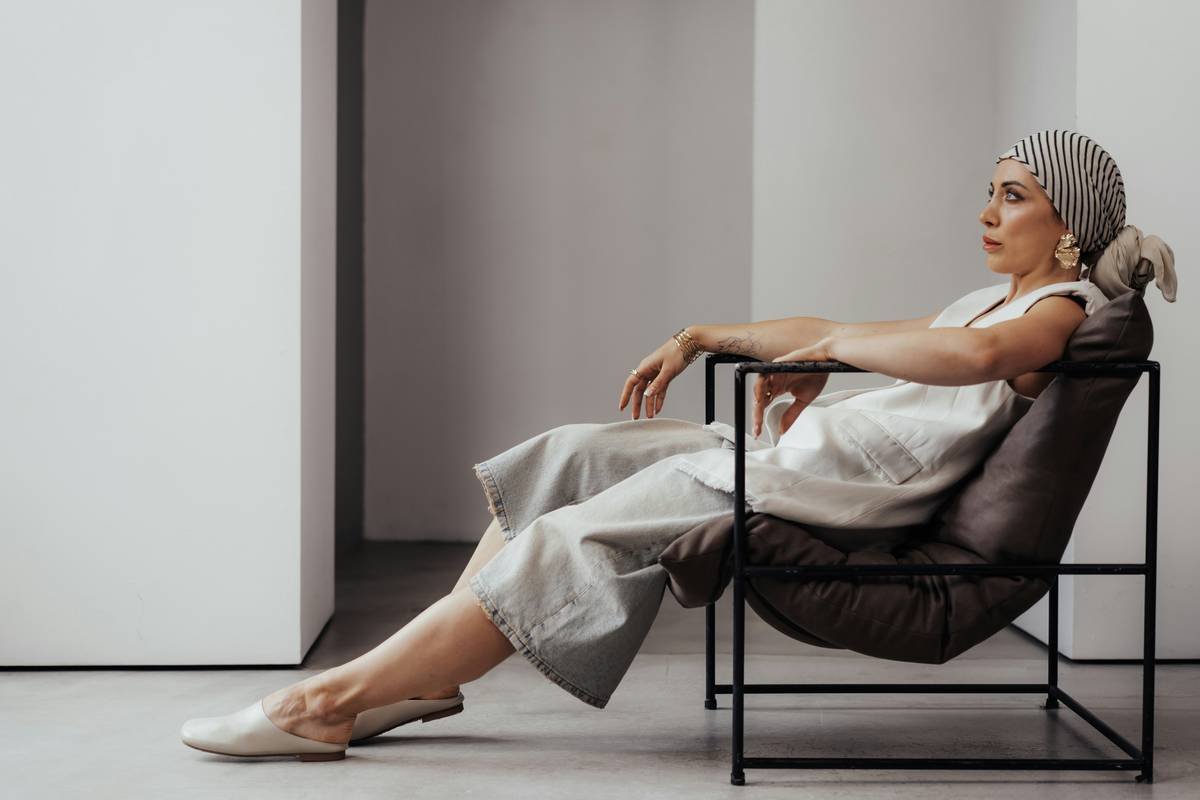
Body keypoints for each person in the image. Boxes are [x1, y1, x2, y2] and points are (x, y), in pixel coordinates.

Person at [180, 130, 1176, 761]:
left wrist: (834, 350)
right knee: (571, 454)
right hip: (802, 453)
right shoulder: (987, 298)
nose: (987, 212)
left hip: (829, 485)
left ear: (1069, 225)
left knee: (567, 538)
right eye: (991, 190)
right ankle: (428, 675)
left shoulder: (1054, 312)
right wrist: (703, 335)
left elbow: (973, 359)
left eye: (1013, 195)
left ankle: (327, 702)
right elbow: (850, 326)